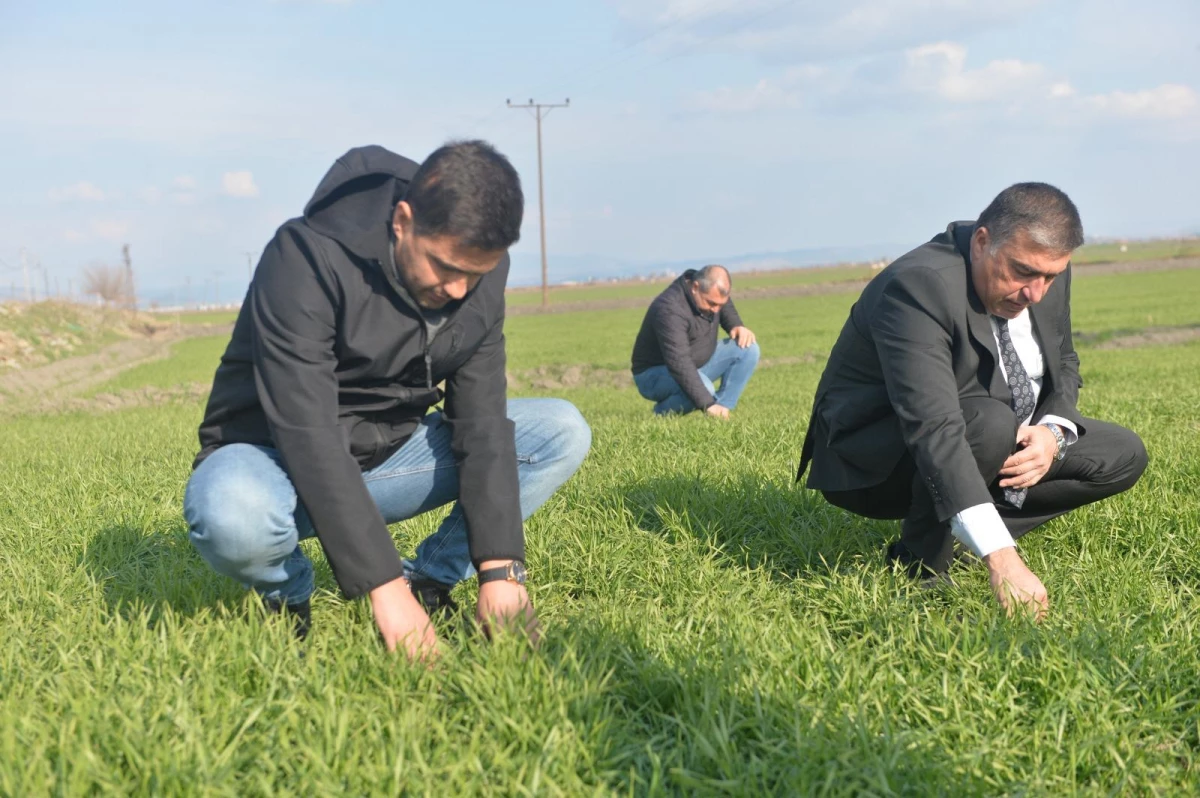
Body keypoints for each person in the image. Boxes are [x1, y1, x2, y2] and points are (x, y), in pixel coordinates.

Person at [184, 142, 591, 660]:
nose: (461, 289)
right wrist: (383, 588)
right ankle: (287, 598)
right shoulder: (304, 258)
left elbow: (481, 422)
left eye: (477, 273)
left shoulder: (473, 276)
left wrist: (501, 568)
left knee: (561, 430)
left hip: (388, 458)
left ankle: (430, 579)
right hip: (276, 462)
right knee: (232, 509)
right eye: (445, 267)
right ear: (403, 221)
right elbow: (306, 431)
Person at [797, 183, 1147, 615]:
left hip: (988, 428)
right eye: (1022, 272)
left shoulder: (1043, 271)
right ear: (982, 242)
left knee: (1123, 454)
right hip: (877, 460)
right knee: (988, 424)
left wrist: (1053, 433)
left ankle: (966, 530)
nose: (1036, 292)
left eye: (1050, 276)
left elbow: (1065, 360)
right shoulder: (918, 286)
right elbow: (933, 426)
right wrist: (1003, 558)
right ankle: (920, 565)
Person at [630, 265, 760, 418]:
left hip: (695, 362)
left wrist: (736, 325)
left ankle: (722, 411)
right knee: (705, 389)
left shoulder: (708, 292)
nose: (716, 310)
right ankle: (660, 415)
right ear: (695, 287)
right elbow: (679, 363)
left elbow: (721, 303)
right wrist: (707, 403)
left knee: (748, 348)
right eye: (711, 303)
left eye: (721, 304)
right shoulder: (670, 309)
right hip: (654, 374)